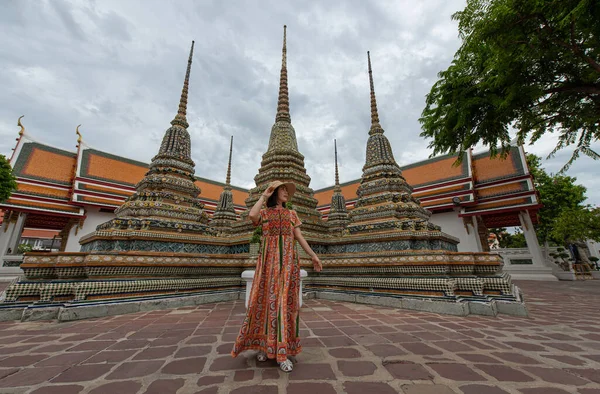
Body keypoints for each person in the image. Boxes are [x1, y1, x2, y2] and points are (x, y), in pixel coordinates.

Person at [231, 180, 322, 373]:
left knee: (283, 304)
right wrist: (264, 195)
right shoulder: (264, 214)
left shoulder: (292, 214)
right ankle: (265, 346)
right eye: (282, 190)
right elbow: (252, 215)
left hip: (288, 264)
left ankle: (282, 352)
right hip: (268, 265)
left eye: (286, 190)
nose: (286, 193)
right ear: (274, 193)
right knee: (264, 302)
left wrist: (313, 255)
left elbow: (299, 237)